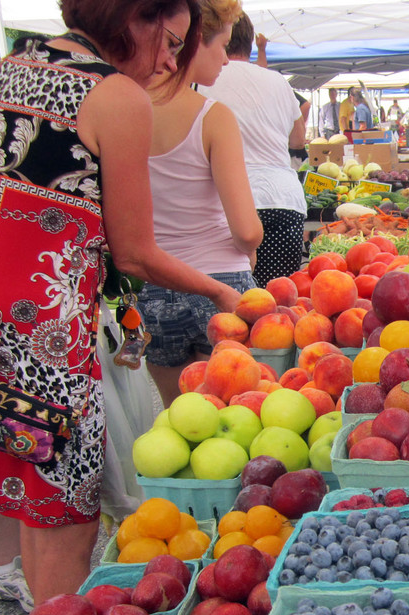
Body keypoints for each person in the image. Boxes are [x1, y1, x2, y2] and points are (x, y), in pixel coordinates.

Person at [0, 0, 243, 609]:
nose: (169, 60)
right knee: (64, 518)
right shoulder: (113, 97)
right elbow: (135, 252)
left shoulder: (9, 67)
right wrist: (217, 289)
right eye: (171, 41)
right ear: (135, 15)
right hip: (41, 341)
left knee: (26, 495)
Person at [144, 0, 263, 408]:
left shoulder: (126, 111)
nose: (227, 61)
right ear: (192, 42)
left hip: (154, 287)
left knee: (179, 422)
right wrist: (252, 245)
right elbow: (246, 229)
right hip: (221, 289)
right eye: (223, 46)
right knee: (236, 419)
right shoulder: (212, 116)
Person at [199, 13, 307, 290]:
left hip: (226, 204)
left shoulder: (201, 81)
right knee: (278, 307)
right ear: (249, 42)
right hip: (283, 200)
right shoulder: (278, 82)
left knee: (231, 311)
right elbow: (298, 138)